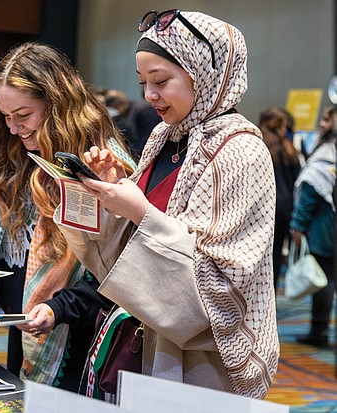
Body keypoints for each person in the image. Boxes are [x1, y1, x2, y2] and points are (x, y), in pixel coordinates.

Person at [56, 10, 279, 399]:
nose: (149, 96)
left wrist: (138, 210)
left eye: (160, 81)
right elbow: (133, 245)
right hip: (143, 339)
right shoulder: (165, 136)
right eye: (143, 82)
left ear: (204, 73)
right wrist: (110, 191)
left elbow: (221, 285)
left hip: (200, 365)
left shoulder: (242, 152)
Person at [0, 42, 129, 392]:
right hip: (24, 326)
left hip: (79, 339)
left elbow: (117, 268)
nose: (14, 127)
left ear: (57, 105)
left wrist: (58, 308)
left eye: (24, 115)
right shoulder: (6, 149)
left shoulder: (101, 162)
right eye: (5, 116)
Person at [292, 104, 337, 348]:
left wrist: (297, 227)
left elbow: (308, 198)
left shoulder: (324, 157)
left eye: (326, 120)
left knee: (323, 281)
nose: (321, 124)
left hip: (323, 228)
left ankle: (319, 330)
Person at [258, 107, 301, 287]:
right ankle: (272, 297)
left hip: (266, 207)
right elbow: (297, 178)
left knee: (262, 256)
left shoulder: (259, 146)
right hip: (286, 208)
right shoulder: (289, 149)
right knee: (276, 256)